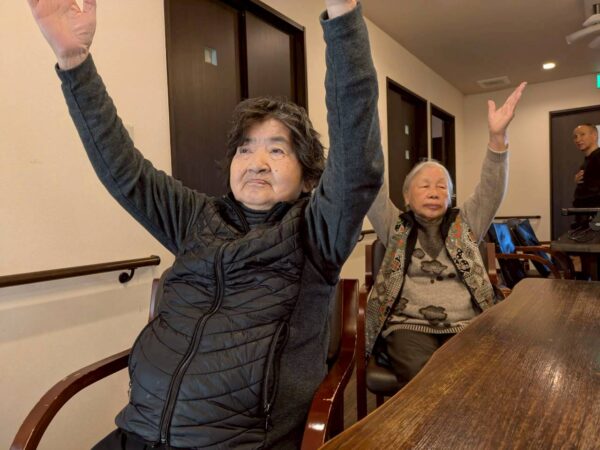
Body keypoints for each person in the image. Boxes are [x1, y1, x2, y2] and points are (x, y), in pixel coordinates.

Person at [26, 0, 383, 448]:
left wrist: (344, 18)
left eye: (277, 150)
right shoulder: (197, 218)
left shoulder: (316, 233)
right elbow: (124, 170)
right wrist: (75, 63)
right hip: (138, 430)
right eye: (245, 149)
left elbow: (357, 161)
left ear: (310, 176)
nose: (256, 162)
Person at [364, 82, 526, 386]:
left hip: (465, 323)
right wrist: (367, 134)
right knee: (426, 380)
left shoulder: (465, 223)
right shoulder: (394, 225)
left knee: (476, 376)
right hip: (408, 326)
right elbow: (371, 188)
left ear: (450, 197)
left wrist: (497, 138)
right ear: (407, 197)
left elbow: (491, 190)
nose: (434, 191)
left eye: (442, 186)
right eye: (424, 186)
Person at [572, 123, 600, 208]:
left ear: (594, 136)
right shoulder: (587, 161)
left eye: (582, 134)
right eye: (575, 136)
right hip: (584, 211)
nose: (578, 140)